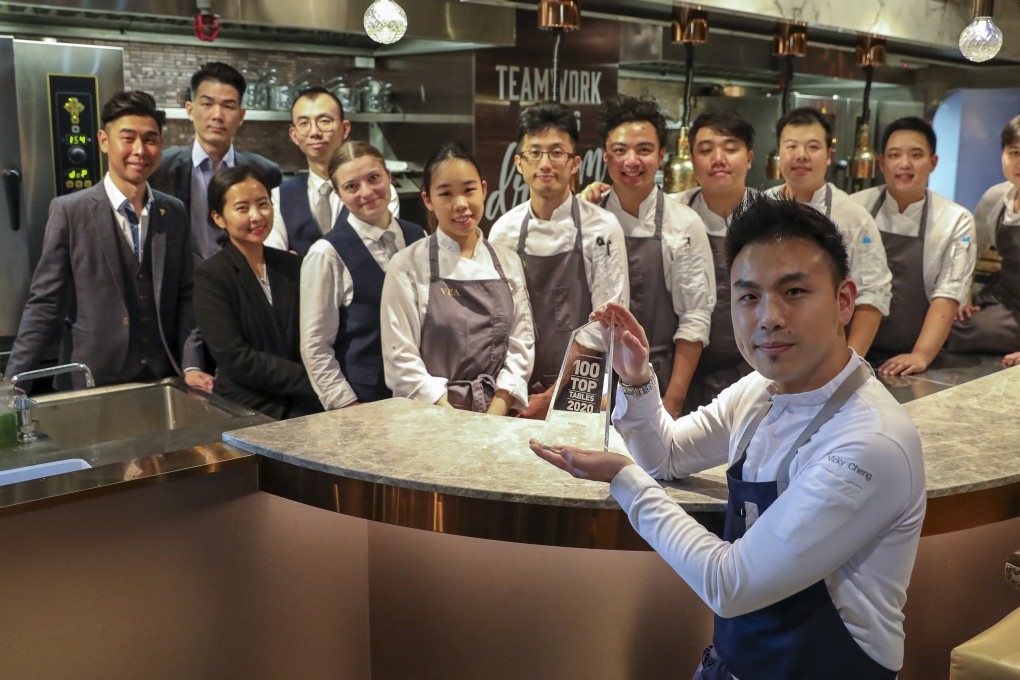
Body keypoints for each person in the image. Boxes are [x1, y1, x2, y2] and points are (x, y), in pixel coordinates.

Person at [532, 193, 925, 680]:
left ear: (844, 301)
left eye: (794, 292)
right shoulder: (759, 391)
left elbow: (731, 583)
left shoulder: (869, 442)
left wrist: (625, 481)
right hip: (734, 663)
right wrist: (635, 379)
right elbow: (669, 456)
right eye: (749, 296)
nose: (769, 317)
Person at [6, 91, 210, 390]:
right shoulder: (69, 211)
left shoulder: (174, 211)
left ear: (161, 145)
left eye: (150, 139)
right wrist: (12, 385)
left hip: (163, 379)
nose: (140, 150)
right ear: (104, 141)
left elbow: (186, 297)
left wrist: (192, 364)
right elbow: (45, 304)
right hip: (90, 380)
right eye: (127, 138)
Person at [489, 102, 629, 418]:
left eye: (557, 153)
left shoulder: (602, 228)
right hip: (518, 387)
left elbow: (606, 323)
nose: (546, 163)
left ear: (575, 163)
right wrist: (514, 391)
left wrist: (551, 397)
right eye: (535, 153)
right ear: (519, 163)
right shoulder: (503, 232)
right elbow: (500, 322)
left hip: (585, 385)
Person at [583, 94, 715, 418]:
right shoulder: (585, 217)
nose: (632, 161)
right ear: (605, 156)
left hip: (657, 380)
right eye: (620, 151)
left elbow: (694, 320)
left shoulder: (684, 224)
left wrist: (672, 401)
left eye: (644, 150)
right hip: (590, 380)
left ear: (661, 155)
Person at [381, 143, 534, 414]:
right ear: (428, 200)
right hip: (430, 416)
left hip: (498, 416)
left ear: (484, 190)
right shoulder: (406, 265)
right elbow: (400, 358)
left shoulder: (508, 262)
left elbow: (521, 346)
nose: (461, 204)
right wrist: (450, 419)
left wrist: (494, 414)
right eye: (446, 193)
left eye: (468, 190)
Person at [301, 141, 426, 409]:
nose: (367, 192)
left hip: (423, 397)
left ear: (388, 177)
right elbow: (315, 346)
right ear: (338, 193)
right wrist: (346, 406)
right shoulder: (326, 254)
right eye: (351, 186)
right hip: (364, 401)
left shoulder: (418, 237)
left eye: (373, 178)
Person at [849, 116, 976, 375]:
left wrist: (920, 355)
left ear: (933, 162)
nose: (904, 164)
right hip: (849, 348)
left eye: (916, 155)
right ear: (882, 163)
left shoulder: (956, 220)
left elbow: (949, 293)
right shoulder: (854, 208)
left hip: (915, 353)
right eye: (895, 155)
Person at [193, 165, 321, 419]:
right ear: (219, 218)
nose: (257, 216)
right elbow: (236, 357)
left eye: (263, 204)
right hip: (247, 409)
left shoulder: (292, 265)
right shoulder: (211, 275)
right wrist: (311, 381)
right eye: (242, 208)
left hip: (304, 406)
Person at [765, 107, 892, 357]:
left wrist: (848, 364)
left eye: (812, 147)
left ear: (829, 154)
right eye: (791, 146)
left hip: (827, 354)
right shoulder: (759, 208)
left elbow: (873, 294)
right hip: (766, 348)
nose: (801, 155)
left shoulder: (854, 216)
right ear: (779, 153)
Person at [150, 61, 282, 262]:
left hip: (242, 284)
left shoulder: (265, 171)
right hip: (181, 286)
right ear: (190, 110)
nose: (217, 115)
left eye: (228, 106)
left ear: (241, 115)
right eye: (207, 104)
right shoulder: (159, 170)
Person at [674, 110, 757, 409]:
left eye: (730, 148)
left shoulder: (772, 218)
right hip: (678, 373)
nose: (718, 158)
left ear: (749, 158)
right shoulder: (671, 212)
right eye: (706, 150)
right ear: (692, 160)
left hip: (753, 373)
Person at [265, 87, 399, 256]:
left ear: (345, 128)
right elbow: (275, 259)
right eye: (304, 123)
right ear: (294, 134)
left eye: (325, 121)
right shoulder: (278, 197)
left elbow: (381, 253)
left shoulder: (378, 192)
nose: (314, 132)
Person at [946, 115, 1020, 366]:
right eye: (1014, 152)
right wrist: (963, 296)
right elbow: (969, 251)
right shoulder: (997, 198)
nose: (1019, 162)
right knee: (949, 324)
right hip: (1004, 300)